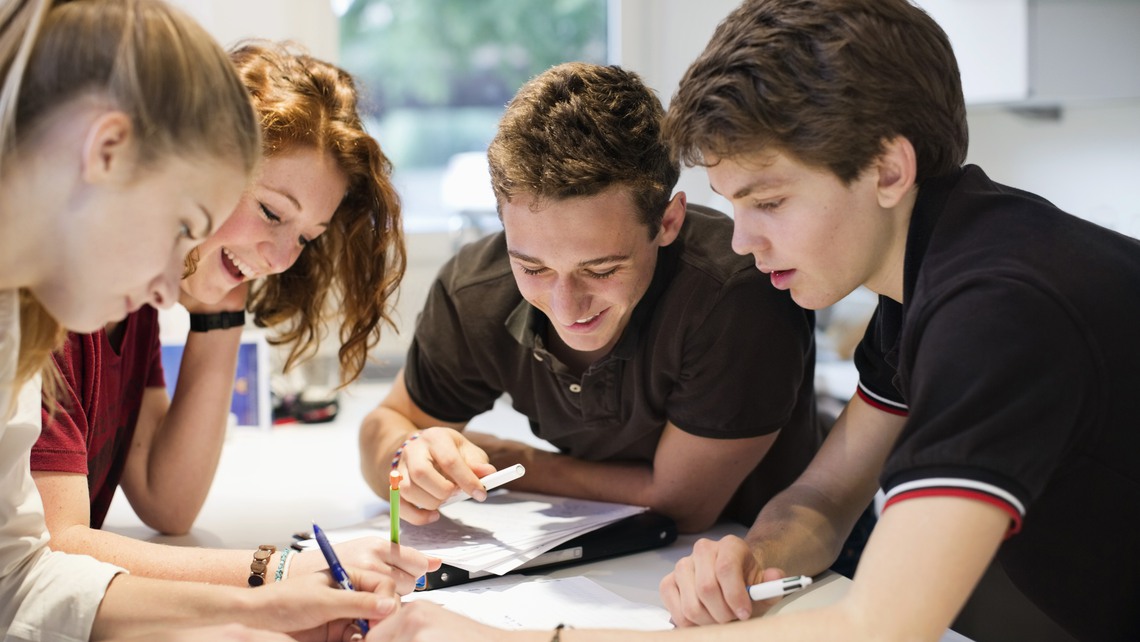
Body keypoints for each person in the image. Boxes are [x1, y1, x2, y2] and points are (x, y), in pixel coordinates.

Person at [365, 0, 1140, 640]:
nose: (740, 239)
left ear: (887, 170)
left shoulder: (997, 307)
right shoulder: (922, 291)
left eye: (767, 202)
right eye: (734, 205)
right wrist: (753, 557)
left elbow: (880, 626)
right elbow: (824, 501)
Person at [0, 1, 411, 639]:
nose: (279, 259)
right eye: (272, 213)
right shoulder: (52, 301)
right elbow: (53, 550)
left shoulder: (103, 303)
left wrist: (220, 307)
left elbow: (160, 505)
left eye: (306, 237)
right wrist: (270, 576)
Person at [358, 61, 821, 535]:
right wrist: (406, 460)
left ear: (667, 223)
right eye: (533, 267)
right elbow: (390, 422)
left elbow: (681, 505)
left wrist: (508, 458)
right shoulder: (474, 290)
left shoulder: (733, 294)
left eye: (601, 269)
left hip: (772, 558)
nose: (566, 306)